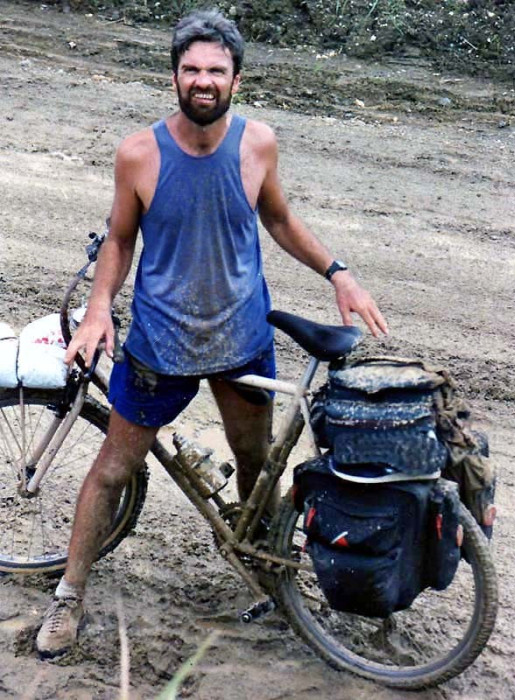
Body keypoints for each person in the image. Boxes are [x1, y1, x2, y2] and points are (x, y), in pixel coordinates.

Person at [36, 8, 388, 657]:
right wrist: (97, 308)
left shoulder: (258, 144)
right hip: (159, 344)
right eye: (192, 69)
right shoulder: (138, 154)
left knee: (256, 464)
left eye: (216, 70)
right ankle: (70, 592)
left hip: (240, 338)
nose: (203, 80)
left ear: (236, 79)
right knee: (113, 468)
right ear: (174, 75)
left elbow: (278, 218)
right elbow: (119, 239)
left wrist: (339, 274)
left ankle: (270, 575)